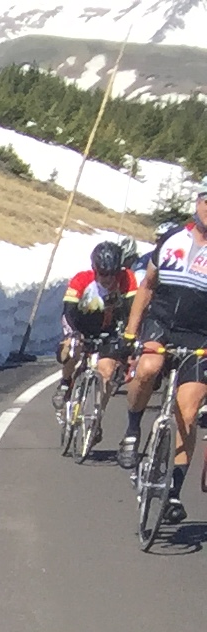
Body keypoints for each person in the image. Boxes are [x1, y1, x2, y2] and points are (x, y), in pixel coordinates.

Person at [123, 198, 207, 512]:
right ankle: (132, 429)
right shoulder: (172, 239)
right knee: (148, 367)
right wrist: (131, 332)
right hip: (160, 324)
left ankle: (173, 491)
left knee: (188, 411)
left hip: (199, 334)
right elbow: (147, 286)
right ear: (198, 202)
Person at [61, 239, 134, 420]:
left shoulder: (127, 278)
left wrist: (129, 337)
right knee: (71, 349)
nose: (108, 279)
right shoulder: (81, 279)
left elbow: (132, 312)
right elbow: (68, 312)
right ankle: (66, 381)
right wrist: (74, 333)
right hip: (81, 325)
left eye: (113, 274)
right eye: (103, 273)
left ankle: (96, 418)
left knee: (107, 373)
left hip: (110, 330)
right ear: (94, 268)